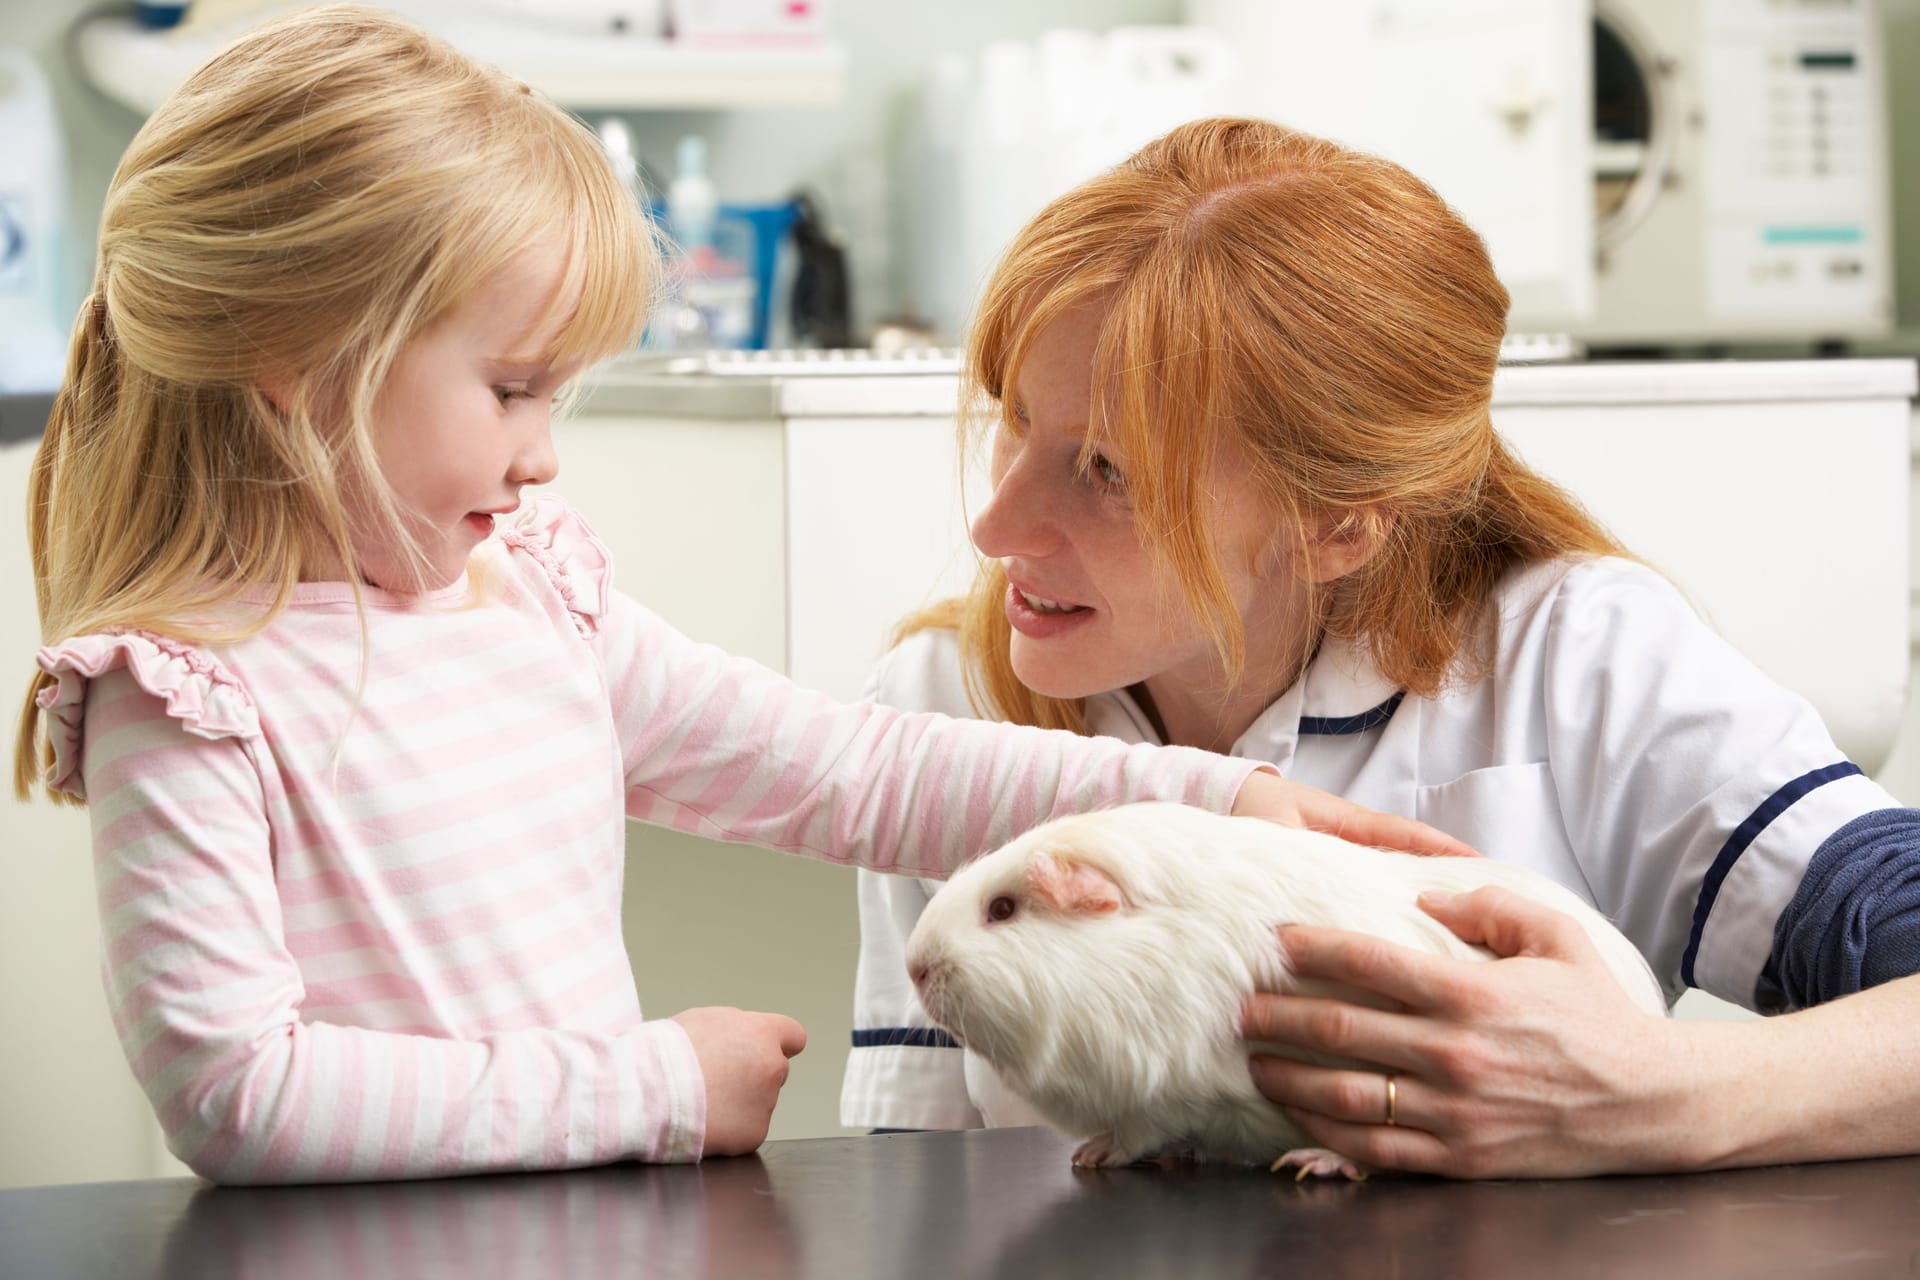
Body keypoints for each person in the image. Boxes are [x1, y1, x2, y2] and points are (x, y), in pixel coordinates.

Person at [9, 11, 1459, 1187]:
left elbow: (849, 772)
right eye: (512, 388)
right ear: (296, 358)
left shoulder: (534, 602)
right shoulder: (185, 696)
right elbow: (240, 1095)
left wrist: (1204, 807)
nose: (544, 451)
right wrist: (653, 1085)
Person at [843, 115, 1920, 1175]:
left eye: (1108, 471)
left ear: (1340, 523)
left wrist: (1663, 1092)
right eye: (1016, 421)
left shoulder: (1575, 654)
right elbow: (924, 1176)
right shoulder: (946, 695)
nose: (993, 530)